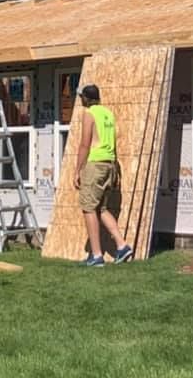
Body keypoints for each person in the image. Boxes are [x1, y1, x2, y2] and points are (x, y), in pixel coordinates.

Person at [73, 84, 133, 267]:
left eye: (81, 97)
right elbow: (113, 142)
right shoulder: (108, 114)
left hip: (95, 163)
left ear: (86, 98)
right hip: (109, 163)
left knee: (88, 208)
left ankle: (97, 255)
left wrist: (77, 170)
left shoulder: (89, 113)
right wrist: (114, 168)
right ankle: (122, 245)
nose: (80, 100)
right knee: (102, 208)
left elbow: (85, 143)